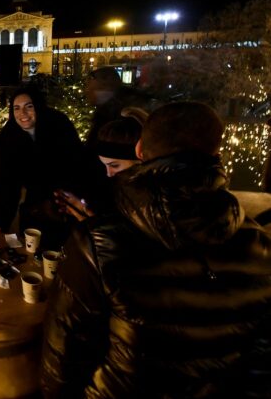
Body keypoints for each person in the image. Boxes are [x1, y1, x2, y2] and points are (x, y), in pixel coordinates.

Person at [42, 102, 271, 397]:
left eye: (114, 166)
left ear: (139, 151)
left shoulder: (99, 243)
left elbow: (62, 359)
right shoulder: (260, 245)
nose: (109, 174)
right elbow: (262, 363)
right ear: (216, 154)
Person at [0, 85, 87, 244]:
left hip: (65, 202)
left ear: (38, 106)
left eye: (28, 107)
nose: (22, 113)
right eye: (16, 108)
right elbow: (9, 182)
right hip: (34, 204)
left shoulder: (59, 124)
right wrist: (2, 222)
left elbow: (77, 164)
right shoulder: (10, 135)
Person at [56, 107, 148, 221]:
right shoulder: (121, 190)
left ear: (140, 156)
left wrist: (87, 219)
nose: (108, 174)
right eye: (104, 165)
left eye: (114, 165)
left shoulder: (150, 200)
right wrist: (84, 210)